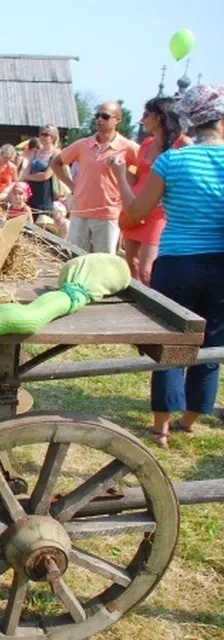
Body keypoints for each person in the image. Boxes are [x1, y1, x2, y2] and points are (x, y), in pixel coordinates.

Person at [109, 84, 224, 448]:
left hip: (176, 262)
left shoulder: (172, 161)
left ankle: (161, 426)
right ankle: (191, 417)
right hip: (220, 264)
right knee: (212, 341)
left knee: (171, 338)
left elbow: (137, 212)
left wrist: (122, 182)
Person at [51, 101, 139, 254]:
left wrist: (128, 184)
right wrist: (72, 186)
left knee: (103, 263)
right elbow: (56, 162)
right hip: (80, 212)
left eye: (105, 116)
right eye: (97, 115)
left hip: (108, 214)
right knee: (75, 260)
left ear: (118, 119)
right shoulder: (83, 145)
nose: (99, 119)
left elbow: (146, 171)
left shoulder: (129, 147)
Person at [120, 97, 186, 286]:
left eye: (146, 114)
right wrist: (122, 170)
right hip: (136, 207)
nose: (142, 119)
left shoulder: (183, 144)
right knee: (131, 265)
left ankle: (155, 309)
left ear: (159, 117)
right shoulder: (147, 143)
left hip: (159, 212)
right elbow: (138, 177)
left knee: (147, 270)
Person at [20, 125, 60, 214]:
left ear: (53, 137)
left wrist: (28, 177)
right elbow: (27, 169)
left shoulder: (56, 153)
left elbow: (46, 175)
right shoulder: (35, 152)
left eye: (46, 135)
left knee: (42, 220)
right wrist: (20, 182)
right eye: (41, 134)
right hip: (30, 191)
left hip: (45, 193)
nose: (42, 137)